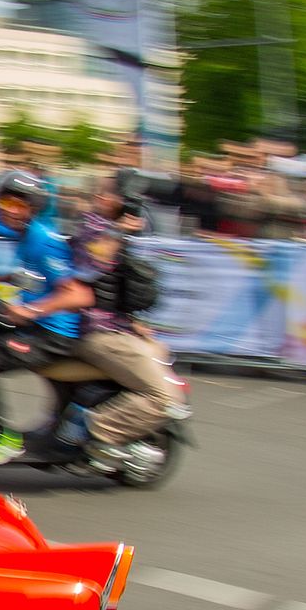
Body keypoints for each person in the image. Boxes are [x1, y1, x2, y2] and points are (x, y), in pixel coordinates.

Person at [0, 170, 88, 463]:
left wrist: (29, 310)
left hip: (54, 334)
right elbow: (35, 277)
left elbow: (76, 294)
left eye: (18, 205)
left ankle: (4, 436)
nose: (9, 210)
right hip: (37, 327)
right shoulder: (25, 237)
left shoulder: (44, 239)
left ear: (33, 208)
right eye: (4, 202)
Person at [71, 193, 178, 473]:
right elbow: (92, 266)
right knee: (161, 397)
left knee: (160, 351)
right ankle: (102, 433)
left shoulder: (112, 232)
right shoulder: (93, 229)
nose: (105, 198)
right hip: (97, 334)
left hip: (113, 328)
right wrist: (117, 230)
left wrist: (131, 322)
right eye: (107, 194)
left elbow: (112, 287)